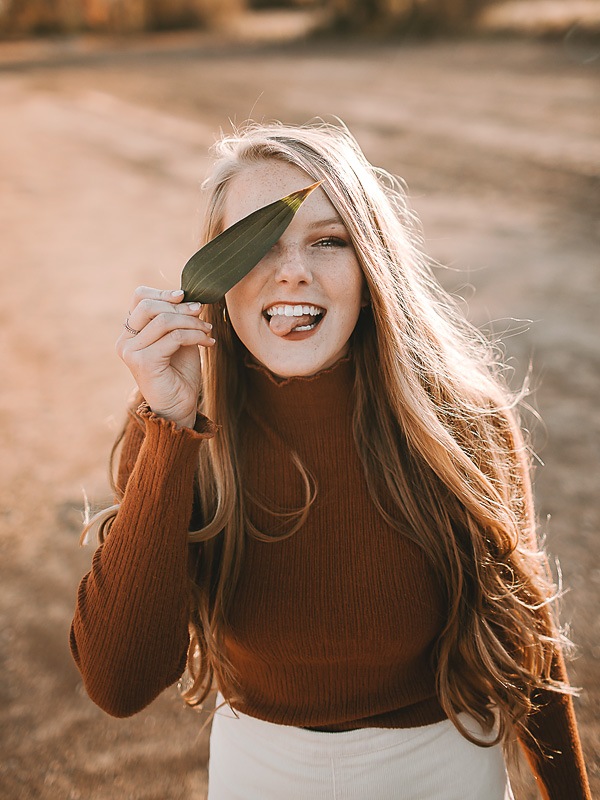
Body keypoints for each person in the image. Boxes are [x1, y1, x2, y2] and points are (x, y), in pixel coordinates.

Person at [70, 121, 591, 799]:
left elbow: (525, 637)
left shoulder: (461, 420)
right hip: (260, 775)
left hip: (448, 769)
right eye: (257, 244)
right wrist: (169, 427)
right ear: (216, 277)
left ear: (371, 268)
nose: (292, 271)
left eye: (328, 241)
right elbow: (119, 685)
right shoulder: (179, 431)